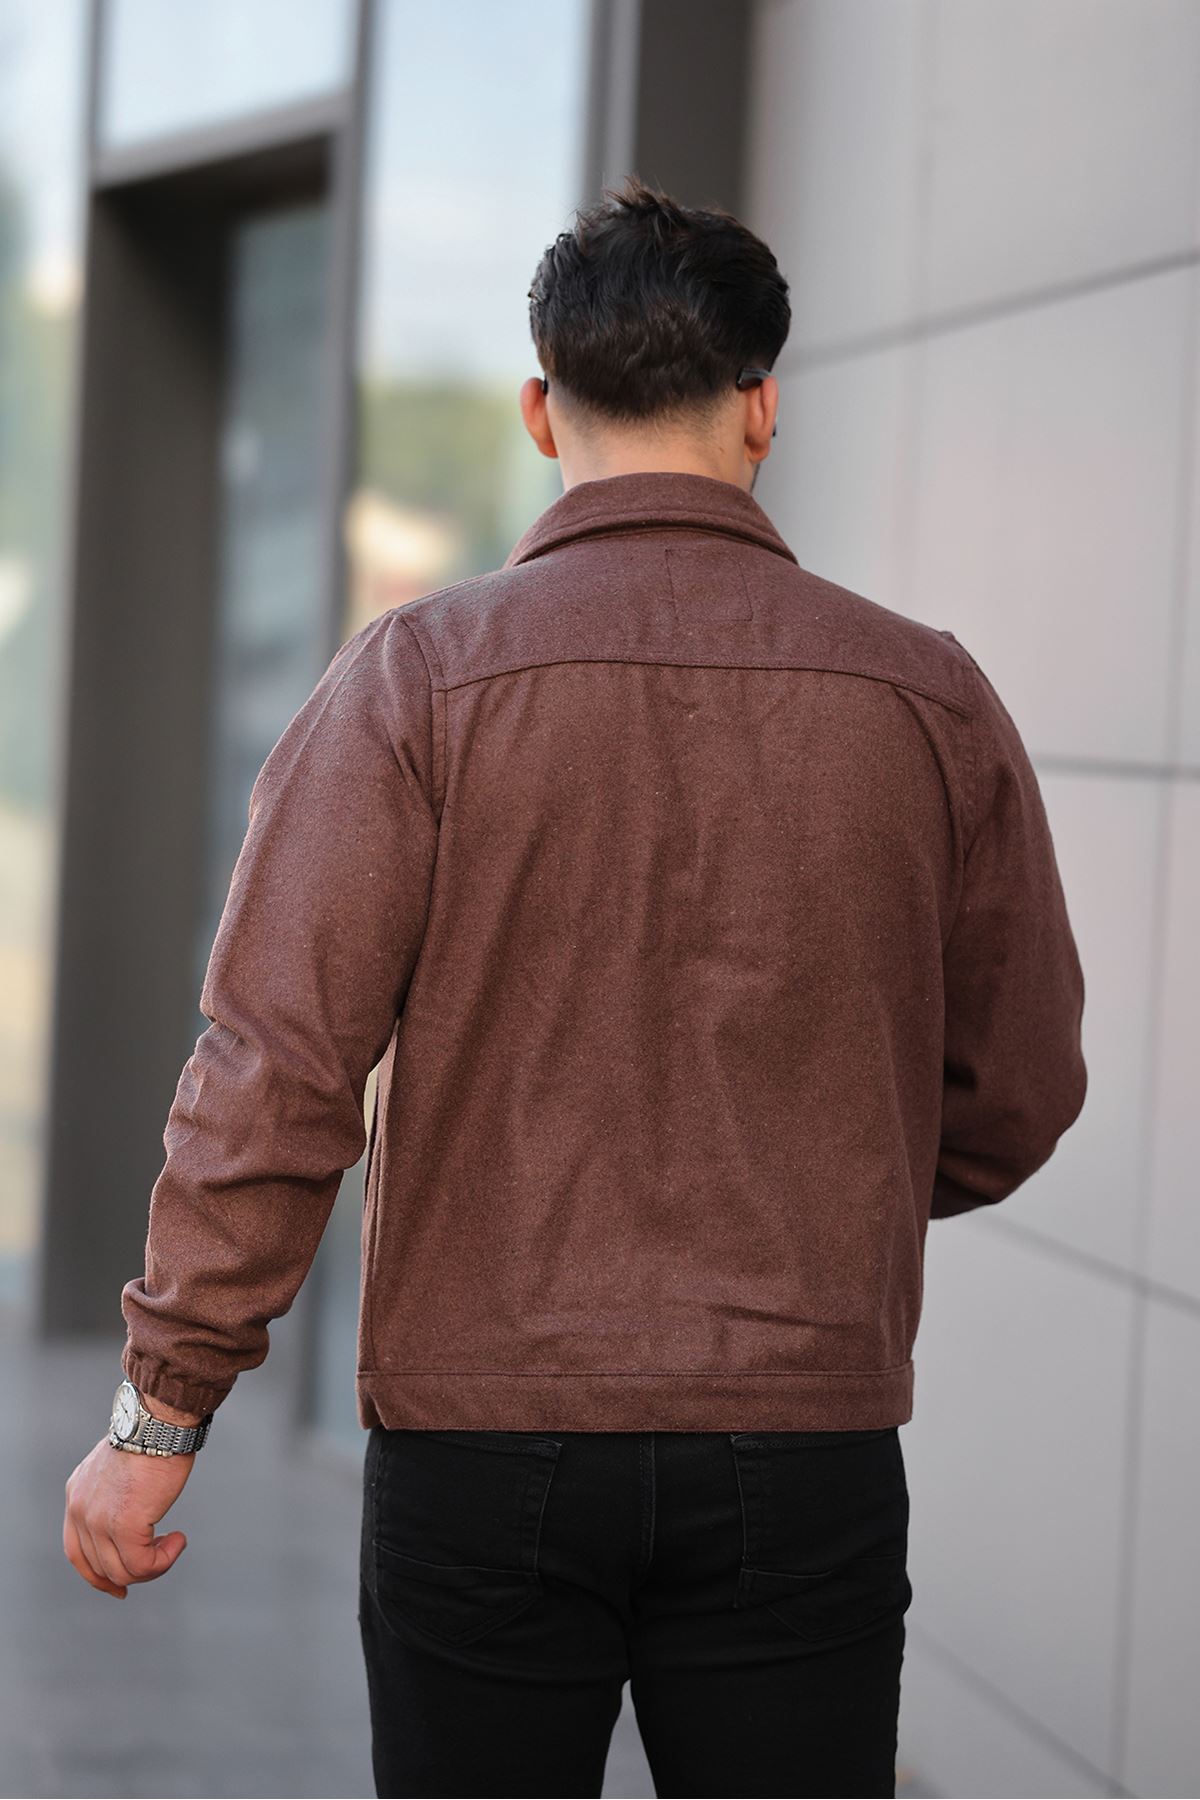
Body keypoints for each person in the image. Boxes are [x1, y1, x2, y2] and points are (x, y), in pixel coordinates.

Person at [63, 174, 1088, 1799]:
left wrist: (159, 1416)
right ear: (762, 408)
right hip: (805, 1436)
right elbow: (1019, 1091)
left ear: (542, 410)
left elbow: (274, 1074)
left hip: (481, 1453)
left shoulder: (415, 683)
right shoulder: (925, 696)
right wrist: (826, 1190)